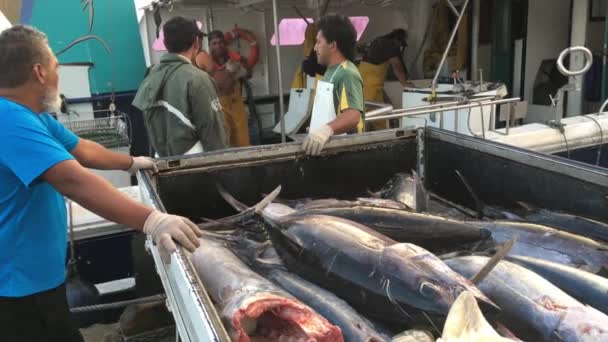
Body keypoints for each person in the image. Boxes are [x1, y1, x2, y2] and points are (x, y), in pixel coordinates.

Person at [0, 25, 203, 341]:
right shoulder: (8, 120)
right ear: (39, 72)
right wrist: (152, 220)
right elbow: (72, 180)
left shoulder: (32, 116)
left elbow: (82, 150)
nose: (58, 76)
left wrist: (133, 162)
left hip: (37, 278)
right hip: (18, 287)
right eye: (56, 68)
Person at [133, 16, 228, 157]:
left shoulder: (150, 76)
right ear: (196, 42)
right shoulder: (198, 79)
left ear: (166, 43)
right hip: (195, 166)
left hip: (162, 163)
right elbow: (213, 134)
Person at [302, 14, 365, 156]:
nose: (314, 48)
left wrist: (325, 130)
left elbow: (353, 115)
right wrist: (316, 129)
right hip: (329, 149)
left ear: (333, 45)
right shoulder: (331, 71)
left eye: (318, 42)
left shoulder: (347, 73)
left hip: (347, 153)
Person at [196, 29, 256, 147]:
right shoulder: (207, 63)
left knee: (243, 143)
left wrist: (244, 68)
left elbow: (249, 74)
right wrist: (229, 72)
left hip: (238, 106)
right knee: (225, 143)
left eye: (221, 42)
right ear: (209, 46)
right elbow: (220, 87)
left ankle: (245, 164)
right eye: (214, 43)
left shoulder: (235, 59)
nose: (218, 45)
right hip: (219, 107)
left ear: (225, 43)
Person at [359, 28, 410, 131]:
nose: (400, 48)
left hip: (374, 84)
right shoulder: (390, 44)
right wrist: (405, 84)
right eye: (400, 44)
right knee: (363, 113)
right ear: (397, 39)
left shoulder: (380, 41)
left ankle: (384, 136)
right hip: (368, 83)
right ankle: (356, 138)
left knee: (381, 114)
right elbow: (397, 66)